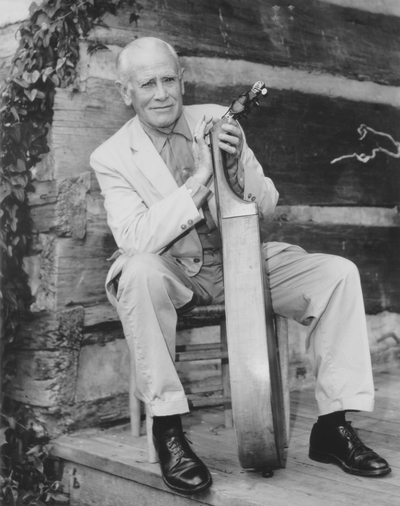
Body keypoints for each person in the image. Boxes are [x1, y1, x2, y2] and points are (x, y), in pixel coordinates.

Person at [90, 37, 391, 494]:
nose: (162, 93)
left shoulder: (215, 118)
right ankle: (169, 430)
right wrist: (199, 181)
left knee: (337, 274)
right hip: (174, 273)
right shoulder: (111, 156)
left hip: (241, 259)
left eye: (169, 79)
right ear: (124, 92)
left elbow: (268, 204)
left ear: (182, 80)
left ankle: (333, 426)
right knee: (136, 271)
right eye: (147, 83)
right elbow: (136, 238)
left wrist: (236, 163)